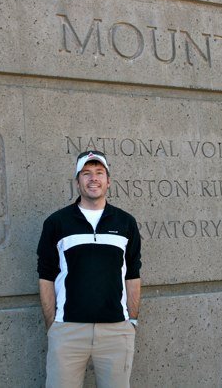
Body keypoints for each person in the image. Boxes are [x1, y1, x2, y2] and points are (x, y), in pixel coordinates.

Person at [36, 150, 142, 388]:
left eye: (99, 172)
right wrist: (54, 326)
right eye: (86, 173)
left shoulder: (125, 222)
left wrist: (131, 321)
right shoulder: (57, 222)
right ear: (77, 181)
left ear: (108, 181)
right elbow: (46, 276)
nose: (93, 178)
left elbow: (133, 275)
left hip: (116, 331)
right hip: (68, 331)